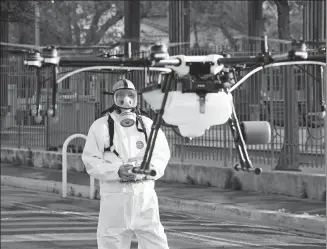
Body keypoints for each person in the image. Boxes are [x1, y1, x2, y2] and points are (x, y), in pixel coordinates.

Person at [82, 79, 171, 249]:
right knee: (111, 241)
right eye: (120, 96)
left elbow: (161, 154)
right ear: (113, 98)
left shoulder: (148, 125)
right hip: (115, 196)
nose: (126, 100)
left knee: (155, 240)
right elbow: (90, 160)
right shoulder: (100, 126)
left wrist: (150, 169)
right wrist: (116, 171)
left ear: (136, 97)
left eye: (130, 95)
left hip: (143, 194)